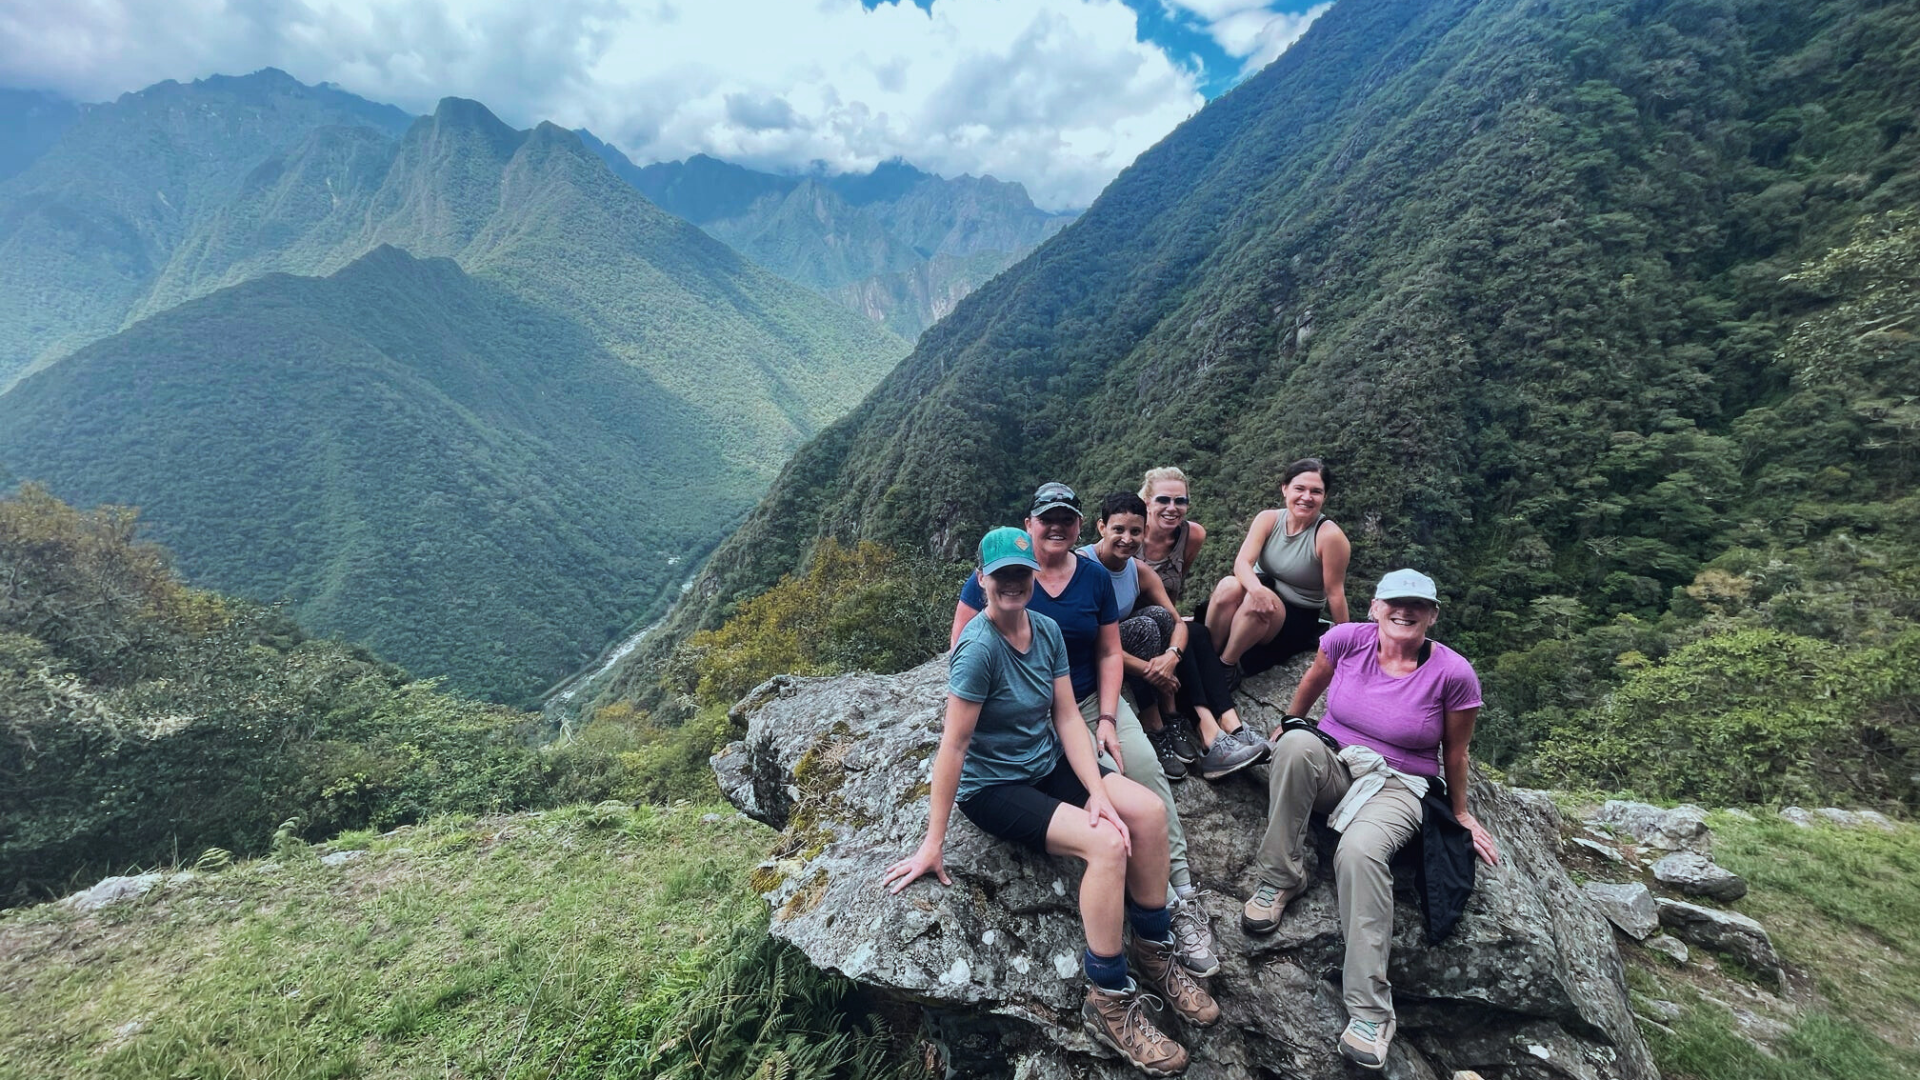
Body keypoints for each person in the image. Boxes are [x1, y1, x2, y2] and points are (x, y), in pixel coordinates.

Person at [891, 527, 1216, 1074]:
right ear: (982, 581)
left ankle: (1154, 948)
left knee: (1147, 812)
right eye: (1002, 577)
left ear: (1033, 577)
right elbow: (954, 744)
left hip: (1045, 763)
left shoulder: (1044, 630)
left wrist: (1097, 789)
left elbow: (1067, 715)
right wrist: (932, 842)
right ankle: (1109, 998)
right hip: (994, 788)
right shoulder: (978, 650)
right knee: (1107, 846)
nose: (1013, 585)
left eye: (1021, 574)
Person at [951, 483, 1219, 978]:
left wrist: (1111, 720)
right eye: (1045, 518)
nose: (1055, 527)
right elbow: (963, 654)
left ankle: (1177, 900)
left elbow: (1108, 653)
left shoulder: (1087, 580)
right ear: (1029, 524)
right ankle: (1115, 978)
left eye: (1065, 519)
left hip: (1087, 701)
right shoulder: (996, 584)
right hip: (1028, 714)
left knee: (1145, 782)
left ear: (1079, 527)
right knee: (1107, 829)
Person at [1238, 569, 1500, 1071]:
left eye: (1417, 606)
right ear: (1376, 607)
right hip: (1337, 762)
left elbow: (1457, 752)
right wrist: (1287, 722)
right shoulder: (1346, 640)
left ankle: (1370, 1012)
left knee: (1358, 853)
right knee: (1294, 745)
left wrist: (1462, 814)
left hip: (1399, 784)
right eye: (1394, 604)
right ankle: (1279, 880)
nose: (1405, 613)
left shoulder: (1453, 673)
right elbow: (1314, 679)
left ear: (1433, 615)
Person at [1136, 467, 1267, 781]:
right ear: (1146, 503)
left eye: (1180, 501)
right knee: (1187, 633)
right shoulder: (1129, 535)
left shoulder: (1191, 535)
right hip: (1136, 626)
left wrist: (1175, 620)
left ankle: (1232, 727)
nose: (1172, 508)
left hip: (1166, 615)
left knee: (1197, 632)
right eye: (1163, 499)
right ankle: (1212, 734)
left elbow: (1175, 584)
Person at [1080, 492, 1194, 782]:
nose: (1127, 539)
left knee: (1158, 616)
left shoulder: (1137, 570)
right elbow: (1091, 641)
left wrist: (1171, 658)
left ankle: (1170, 714)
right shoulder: (1083, 567)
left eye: (1135, 531)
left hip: (1123, 651)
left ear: (1144, 531)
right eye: (1118, 529)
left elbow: (1177, 623)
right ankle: (1153, 725)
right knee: (1144, 626)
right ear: (1102, 527)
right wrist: (1153, 672)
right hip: (1090, 656)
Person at [1204, 458, 1351, 681]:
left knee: (1258, 603)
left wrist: (1348, 644)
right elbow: (1242, 563)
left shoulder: (1329, 536)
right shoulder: (1269, 519)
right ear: (1285, 488)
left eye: (1316, 491)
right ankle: (1207, 654)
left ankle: (1226, 667)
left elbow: (1335, 592)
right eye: (1299, 488)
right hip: (1261, 589)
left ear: (1325, 496)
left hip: (1297, 614)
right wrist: (1256, 589)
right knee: (1228, 586)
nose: (1306, 497)